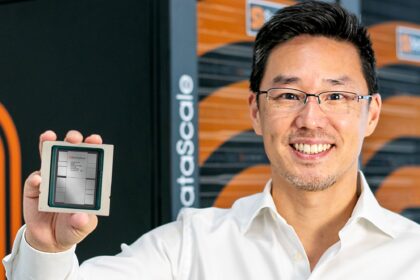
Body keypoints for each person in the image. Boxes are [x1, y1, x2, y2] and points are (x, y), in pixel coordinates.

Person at [3, 1, 420, 279]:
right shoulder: (189, 247)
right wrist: (46, 248)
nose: (311, 119)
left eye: (336, 96)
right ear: (256, 112)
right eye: (288, 95)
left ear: (372, 114)